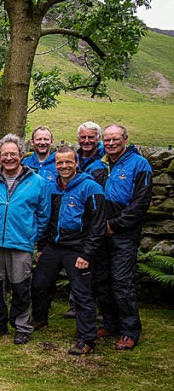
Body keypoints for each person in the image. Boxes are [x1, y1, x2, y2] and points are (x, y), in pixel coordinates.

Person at [30, 144, 104, 355]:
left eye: (68, 162)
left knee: (82, 293)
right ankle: (40, 319)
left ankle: (86, 338)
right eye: (59, 162)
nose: (64, 166)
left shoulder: (90, 188)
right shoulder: (51, 187)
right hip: (53, 245)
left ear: (76, 163)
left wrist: (87, 254)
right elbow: (47, 219)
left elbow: (98, 225)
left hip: (78, 248)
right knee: (39, 284)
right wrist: (42, 246)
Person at [0, 134, 51, 345]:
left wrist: (31, 236)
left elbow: (43, 215)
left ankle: (22, 326)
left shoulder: (37, 182)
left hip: (21, 243)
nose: (9, 158)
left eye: (13, 154)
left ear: (22, 155)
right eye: (5, 154)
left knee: (21, 287)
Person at [92, 124, 153, 350]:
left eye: (115, 139)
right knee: (102, 279)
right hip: (101, 231)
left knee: (121, 281)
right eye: (107, 140)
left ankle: (130, 330)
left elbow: (141, 203)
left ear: (125, 139)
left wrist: (115, 225)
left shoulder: (139, 165)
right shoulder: (99, 165)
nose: (110, 143)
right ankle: (110, 323)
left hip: (124, 233)